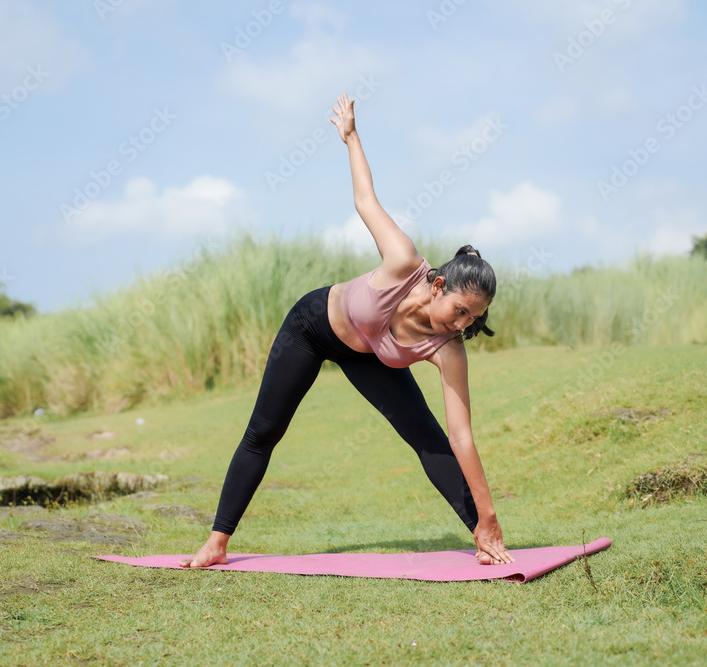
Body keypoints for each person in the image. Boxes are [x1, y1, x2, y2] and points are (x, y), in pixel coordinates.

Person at [179, 92, 514, 568]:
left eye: (471, 320)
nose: (461, 324)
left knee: (427, 435)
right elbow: (365, 200)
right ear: (438, 284)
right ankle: (216, 541)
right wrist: (352, 137)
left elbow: (461, 438)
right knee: (264, 431)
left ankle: (482, 537)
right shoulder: (403, 261)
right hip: (313, 326)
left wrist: (489, 514)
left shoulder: (449, 348)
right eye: (459, 310)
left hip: (365, 354)